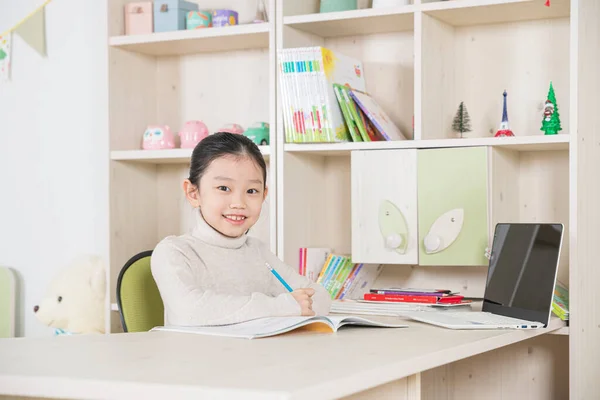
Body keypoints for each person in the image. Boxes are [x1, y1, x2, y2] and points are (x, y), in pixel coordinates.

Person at [151, 132, 332, 326]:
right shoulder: (174, 251)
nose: (238, 203)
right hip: (198, 355)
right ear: (193, 193)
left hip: (257, 354)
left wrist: (295, 304)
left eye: (251, 191)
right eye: (224, 188)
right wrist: (283, 306)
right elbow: (191, 311)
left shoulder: (258, 252)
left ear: (264, 195)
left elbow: (319, 297)